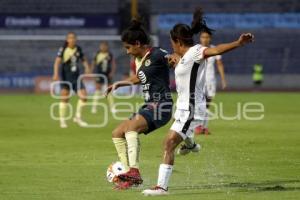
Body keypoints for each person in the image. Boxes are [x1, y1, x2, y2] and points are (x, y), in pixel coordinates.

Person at [142, 8, 254, 196]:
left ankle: (161, 188)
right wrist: (176, 60)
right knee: (177, 135)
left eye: (172, 43)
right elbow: (184, 64)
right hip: (183, 107)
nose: (172, 46)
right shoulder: (184, 57)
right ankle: (192, 145)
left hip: (192, 108)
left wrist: (239, 42)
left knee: (169, 143)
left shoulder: (197, 52)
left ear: (177, 41)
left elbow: (216, 50)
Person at [105, 19, 174, 190]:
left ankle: (134, 171)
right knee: (117, 132)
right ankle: (129, 174)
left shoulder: (157, 54)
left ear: (137, 43)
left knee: (131, 128)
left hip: (161, 104)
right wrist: (120, 83)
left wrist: (175, 60)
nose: (127, 51)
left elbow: (173, 57)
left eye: (128, 47)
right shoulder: (139, 60)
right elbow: (140, 78)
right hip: (150, 104)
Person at [52, 32, 90, 128]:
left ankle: (78, 117)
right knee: (65, 98)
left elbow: (84, 59)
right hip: (66, 77)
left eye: (73, 38)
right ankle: (62, 121)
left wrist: (87, 68)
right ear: (67, 39)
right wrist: (56, 74)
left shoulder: (78, 49)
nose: (72, 39)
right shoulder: (63, 49)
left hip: (76, 77)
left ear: (76, 39)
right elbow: (57, 62)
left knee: (84, 96)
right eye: (70, 38)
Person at [91, 41, 117, 113]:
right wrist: (92, 73)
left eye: (105, 46)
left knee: (109, 90)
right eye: (102, 46)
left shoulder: (110, 54)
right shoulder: (97, 54)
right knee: (97, 90)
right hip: (99, 74)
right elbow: (93, 64)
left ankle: (112, 108)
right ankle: (94, 107)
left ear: (107, 47)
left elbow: (113, 64)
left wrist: (112, 72)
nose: (103, 47)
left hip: (107, 75)